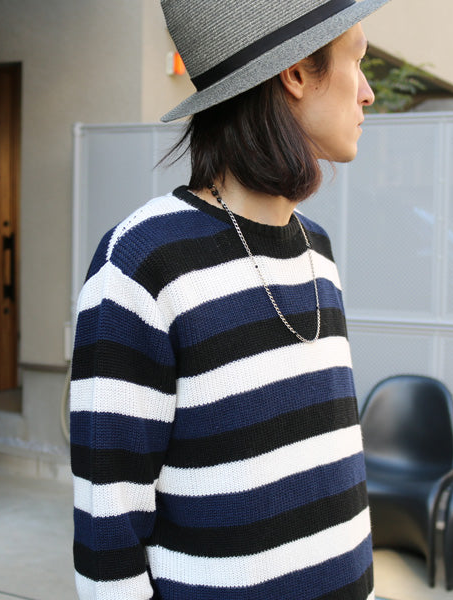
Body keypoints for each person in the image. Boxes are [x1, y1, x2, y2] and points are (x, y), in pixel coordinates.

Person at [71, 0, 392, 598]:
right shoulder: (143, 262)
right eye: (357, 61)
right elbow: (107, 529)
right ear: (295, 73)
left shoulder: (316, 249)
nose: (368, 93)